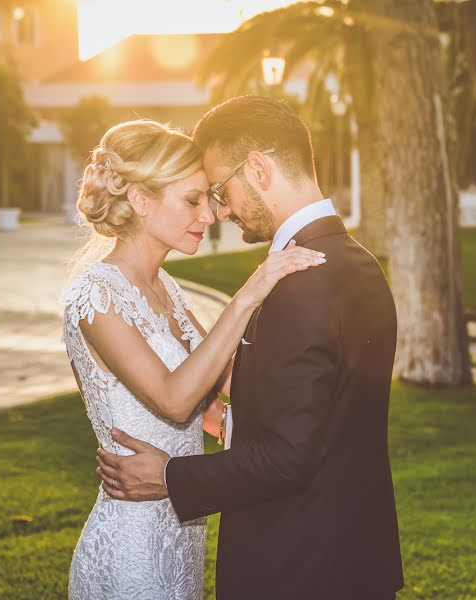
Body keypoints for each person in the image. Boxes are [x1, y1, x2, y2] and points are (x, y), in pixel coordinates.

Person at [96, 96, 405, 599]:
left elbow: (288, 457)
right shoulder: (355, 262)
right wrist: (226, 416)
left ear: (257, 169)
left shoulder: (301, 281)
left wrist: (171, 477)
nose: (218, 211)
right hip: (351, 558)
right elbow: (319, 411)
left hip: (299, 570)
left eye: (219, 190)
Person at [61, 119, 325, 599]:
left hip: (182, 527)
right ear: (140, 200)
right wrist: (248, 295)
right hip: (132, 544)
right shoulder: (95, 295)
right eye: (192, 200)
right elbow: (176, 399)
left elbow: (227, 382)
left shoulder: (169, 291)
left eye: (208, 198)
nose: (209, 214)